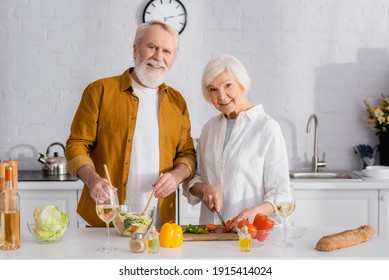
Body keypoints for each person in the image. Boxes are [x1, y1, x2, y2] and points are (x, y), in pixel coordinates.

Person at [65, 20, 196, 227]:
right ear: (135, 49)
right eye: (151, 47)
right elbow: (76, 144)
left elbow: (187, 154)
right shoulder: (100, 91)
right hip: (105, 219)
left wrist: (176, 176)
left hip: (157, 222)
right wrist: (92, 179)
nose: (158, 57)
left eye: (167, 51)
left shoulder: (177, 102)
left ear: (173, 58)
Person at [182, 54, 290, 228]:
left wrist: (255, 213)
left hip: (250, 234)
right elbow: (194, 179)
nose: (222, 96)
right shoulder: (209, 128)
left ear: (242, 83)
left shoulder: (267, 128)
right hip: (211, 233)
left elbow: (282, 194)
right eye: (213, 89)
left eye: (228, 85)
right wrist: (204, 189)